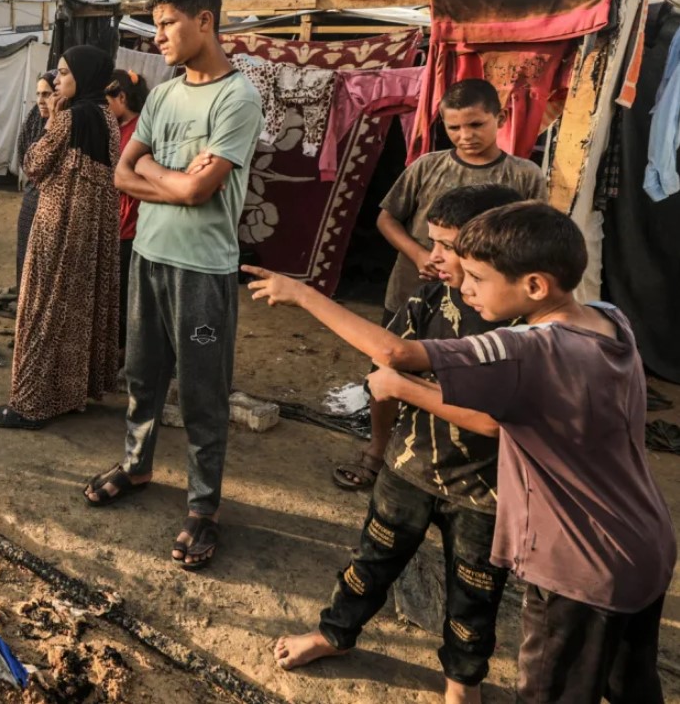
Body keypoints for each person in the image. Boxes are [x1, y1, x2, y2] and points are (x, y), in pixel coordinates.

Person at [247, 202, 675, 704]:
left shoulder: (527, 349)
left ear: (535, 286)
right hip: (645, 544)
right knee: (631, 684)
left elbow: (395, 355)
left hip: (580, 568)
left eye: (476, 275)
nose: (465, 286)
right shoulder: (608, 318)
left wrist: (301, 293)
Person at [260, 183, 524, 704]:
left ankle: (462, 682)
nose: (435, 256)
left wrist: (303, 293)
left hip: (483, 490)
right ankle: (335, 634)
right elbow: (382, 373)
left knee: (474, 591)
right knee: (372, 558)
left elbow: (405, 364)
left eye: (448, 245)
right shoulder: (431, 295)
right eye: (433, 241)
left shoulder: (518, 323)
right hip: (410, 463)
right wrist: (381, 451)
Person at [82, 0, 263, 571]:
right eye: (155, 25)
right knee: (142, 376)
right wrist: (176, 178)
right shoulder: (160, 95)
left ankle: (203, 508)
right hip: (149, 259)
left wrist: (166, 177)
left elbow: (198, 193)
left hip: (203, 273)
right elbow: (123, 174)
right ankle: (136, 467)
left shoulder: (238, 98)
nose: (157, 37)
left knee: (203, 394)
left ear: (204, 20)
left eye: (166, 24)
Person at [339, 78, 547, 492]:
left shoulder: (523, 175)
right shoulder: (427, 166)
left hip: (485, 303)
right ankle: (378, 453)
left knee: (469, 383)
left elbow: (532, 237)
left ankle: (464, 473)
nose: (465, 136)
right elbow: (386, 217)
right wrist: (418, 255)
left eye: (475, 125)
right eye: (454, 127)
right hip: (411, 290)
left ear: (499, 119)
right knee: (389, 367)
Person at [0, 45, 120, 429]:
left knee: (42, 308)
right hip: (92, 230)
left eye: (63, 73)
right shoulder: (106, 116)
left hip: (58, 224)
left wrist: (50, 122)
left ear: (83, 75)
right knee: (76, 310)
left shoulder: (69, 117)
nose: (57, 80)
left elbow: (33, 165)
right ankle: (70, 394)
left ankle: (30, 404)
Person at [106, 68, 149, 360]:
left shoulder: (138, 134)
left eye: (107, 101)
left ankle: (123, 354)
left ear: (122, 97)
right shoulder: (119, 129)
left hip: (130, 226)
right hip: (116, 223)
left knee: (123, 295)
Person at [15, 72, 56, 290]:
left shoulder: (66, 125)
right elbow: (26, 158)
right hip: (31, 201)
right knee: (25, 261)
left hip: (53, 207)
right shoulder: (34, 120)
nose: (41, 100)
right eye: (38, 94)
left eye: (47, 94)